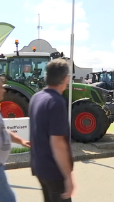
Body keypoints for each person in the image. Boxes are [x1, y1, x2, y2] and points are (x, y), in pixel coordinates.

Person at [29, 58, 74, 202]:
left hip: (39, 166)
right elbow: (58, 142)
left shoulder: (36, 98)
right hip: (54, 171)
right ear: (65, 78)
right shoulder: (56, 102)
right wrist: (68, 177)